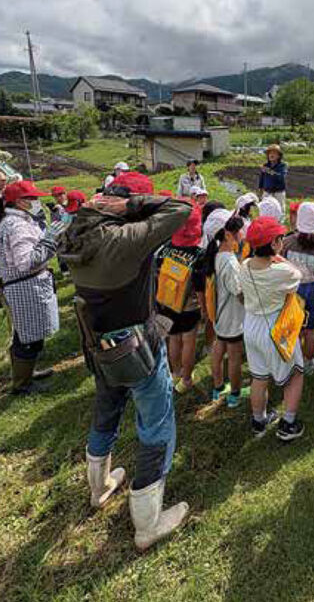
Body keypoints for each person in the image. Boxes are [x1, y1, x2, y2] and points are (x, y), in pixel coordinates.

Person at [55, 177, 193, 550]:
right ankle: (147, 522)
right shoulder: (123, 240)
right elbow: (180, 208)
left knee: (107, 408)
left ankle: (99, 486)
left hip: (97, 341)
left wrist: (101, 205)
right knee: (157, 422)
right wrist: (133, 206)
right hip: (136, 345)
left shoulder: (74, 233)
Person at [237, 217, 306, 441]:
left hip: (251, 325)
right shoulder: (282, 272)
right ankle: (289, 424)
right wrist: (281, 259)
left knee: (259, 377)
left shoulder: (245, 266)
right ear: (275, 243)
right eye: (280, 239)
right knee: (294, 374)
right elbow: (298, 274)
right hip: (276, 328)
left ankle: (259, 420)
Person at [0, 180, 63, 395]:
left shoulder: (15, 222)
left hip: (25, 285)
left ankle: (26, 374)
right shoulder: (18, 226)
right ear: (20, 202)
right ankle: (22, 384)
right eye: (32, 199)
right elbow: (26, 262)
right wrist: (51, 239)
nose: (37, 202)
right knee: (28, 338)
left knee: (27, 334)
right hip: (26, 286)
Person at [155, 206, 207, 393]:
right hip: (189, 307)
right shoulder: (198, 254)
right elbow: (200, 287)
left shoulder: (165, 249)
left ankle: (175, 372)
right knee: (189, 342)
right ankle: (186, 380)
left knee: (173, 338)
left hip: (167, 303)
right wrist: (204, 309)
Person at [202, 208, 247, 406]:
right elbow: (240, 294)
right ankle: (235, 394)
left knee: (218, 348)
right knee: (235, 356)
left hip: (220, 316)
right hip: (232, 319)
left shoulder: (218, 254)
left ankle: (218, 388)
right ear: (228, 235)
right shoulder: (229, 262)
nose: (243, 232)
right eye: (239, 229)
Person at [282, 202, 314, 375]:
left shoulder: (286, 242)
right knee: (311, 330)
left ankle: (291, 361)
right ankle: (308, 362)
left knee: (293, 327)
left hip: (293, 289)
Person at [258, 144, 288, 208]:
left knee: (280, 211)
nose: (271, 155)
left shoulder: (283, 166)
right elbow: (261, 179)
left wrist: (269, 171)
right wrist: (260, 192)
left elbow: (280, 177)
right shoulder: (265, 165)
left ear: (279, 156)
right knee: (265, 209)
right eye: (270, 153)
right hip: (267, 192)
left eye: (274, 153)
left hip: (278, 193)